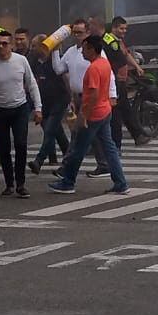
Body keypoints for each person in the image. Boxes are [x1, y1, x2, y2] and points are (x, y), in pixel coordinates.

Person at [47, 35, 128, 196]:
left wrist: (83, 116)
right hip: (104, 111)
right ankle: (121, 183)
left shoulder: (93, 68)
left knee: (78, 149)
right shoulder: (104, 64)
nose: (82, 52)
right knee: (109, 148)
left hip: (94, 114)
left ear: (92, 49)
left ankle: (68, 182)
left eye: (84, 49)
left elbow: (92, 94)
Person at [0, 30, 42, 199]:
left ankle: (21, 184)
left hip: (19, 108)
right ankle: (9, 183)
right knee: (4, 148)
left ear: (11, 45)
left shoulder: (21, 61)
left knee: (21, 144)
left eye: (5, 43)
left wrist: (38, 108)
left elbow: (31, 84)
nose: (1, 47)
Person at [56, 18, 116, 179]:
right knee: (100, 140)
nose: (76, 36)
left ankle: (67, 174)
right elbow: (59, 69)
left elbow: (107, 77)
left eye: (80, 33)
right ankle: (113, 173)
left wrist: (112, 94)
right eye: (74, 33)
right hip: (79, 97)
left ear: (88, 33)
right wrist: (55, 50)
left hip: (92, 101)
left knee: (81, 138)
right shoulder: (71, 52)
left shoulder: (96, 58)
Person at [97, 15, 148, 148]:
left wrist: (137, 67)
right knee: (118, 112)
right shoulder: (109, 40)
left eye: (125, 29)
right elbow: (119, 59)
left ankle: (137, 135)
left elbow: (126, 54)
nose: (124, 31)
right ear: (113, 28)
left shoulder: (118, 41)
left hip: (120, 81)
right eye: (121, 28)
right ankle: (125, 140)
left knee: (124, 110)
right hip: (115, 82)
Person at [28, 34, 70, 174]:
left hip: (59, 99)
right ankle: (69, 156)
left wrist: (71, 101)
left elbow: (66, 77)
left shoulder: (55, 59)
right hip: (44, 101)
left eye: (35, 46)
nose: (32, 49)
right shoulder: (34, 60)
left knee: (50, 129)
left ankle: (38, 161)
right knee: (56, 131)